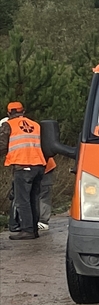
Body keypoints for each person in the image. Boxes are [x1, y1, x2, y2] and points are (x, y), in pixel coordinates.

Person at [1, 101, 46, 240]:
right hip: (38, 165)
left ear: (9, 113)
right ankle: (33, 229)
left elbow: (2, 145)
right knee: (33, 198)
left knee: (22, 200)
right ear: (23, 111)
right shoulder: (36, 125)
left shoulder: (8, 125)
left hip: (23, 165)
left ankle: (27, 230)